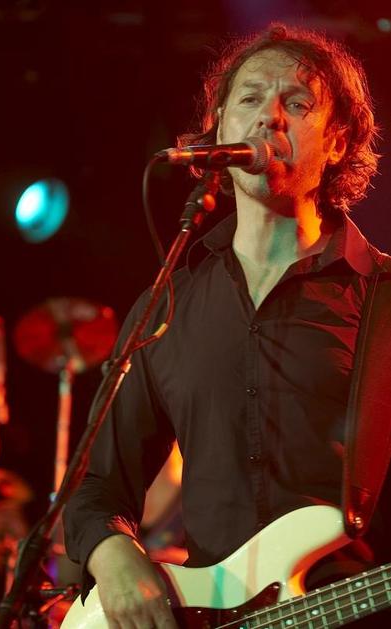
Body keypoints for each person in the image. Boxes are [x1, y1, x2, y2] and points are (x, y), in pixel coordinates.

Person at [63, 23, 391, 628]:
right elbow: (97, 482)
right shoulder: (167, 304)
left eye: (297, 103)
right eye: (250, 98)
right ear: (218, 130)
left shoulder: (383, 299)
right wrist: (113, 555)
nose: (270, 116)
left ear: (338, 143)